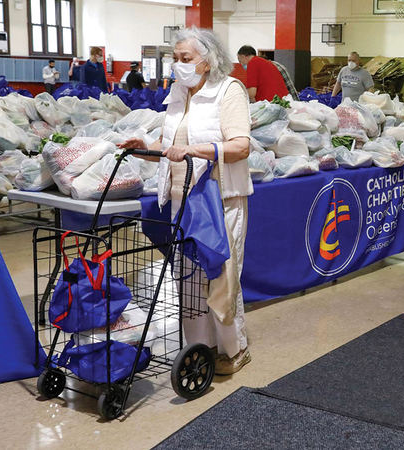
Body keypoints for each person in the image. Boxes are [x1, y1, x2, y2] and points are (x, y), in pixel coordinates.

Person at [119, 27, 253, 375]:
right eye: (175, 59)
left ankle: (234, 349)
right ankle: (200, 347)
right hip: (183, 203)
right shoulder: (178, 95)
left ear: (207, 61)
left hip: (219, 200)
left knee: (222, 276)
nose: (178, 65)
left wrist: (194, 150)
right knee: (189, 278)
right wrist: (145, 149)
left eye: (185, 58)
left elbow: (241, 146)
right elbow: (173, 152)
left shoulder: (229, 91)